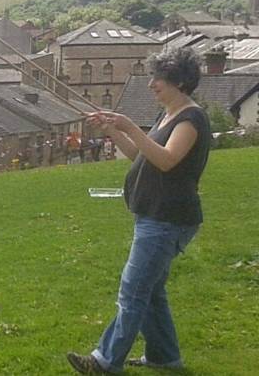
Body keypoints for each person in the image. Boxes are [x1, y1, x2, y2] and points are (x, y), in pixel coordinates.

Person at [67, 47, 211, 374]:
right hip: (154, 215)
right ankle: (165, 357)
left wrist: (130, 125)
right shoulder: (168, 115)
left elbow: (166, 160)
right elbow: (140, 154)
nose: (151, 84)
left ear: (181, 81)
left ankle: (104, 360)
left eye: (159, 78)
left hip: (168, 219)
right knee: (150, 290)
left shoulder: (192, 119)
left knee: (133, 290)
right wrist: (111, 130)